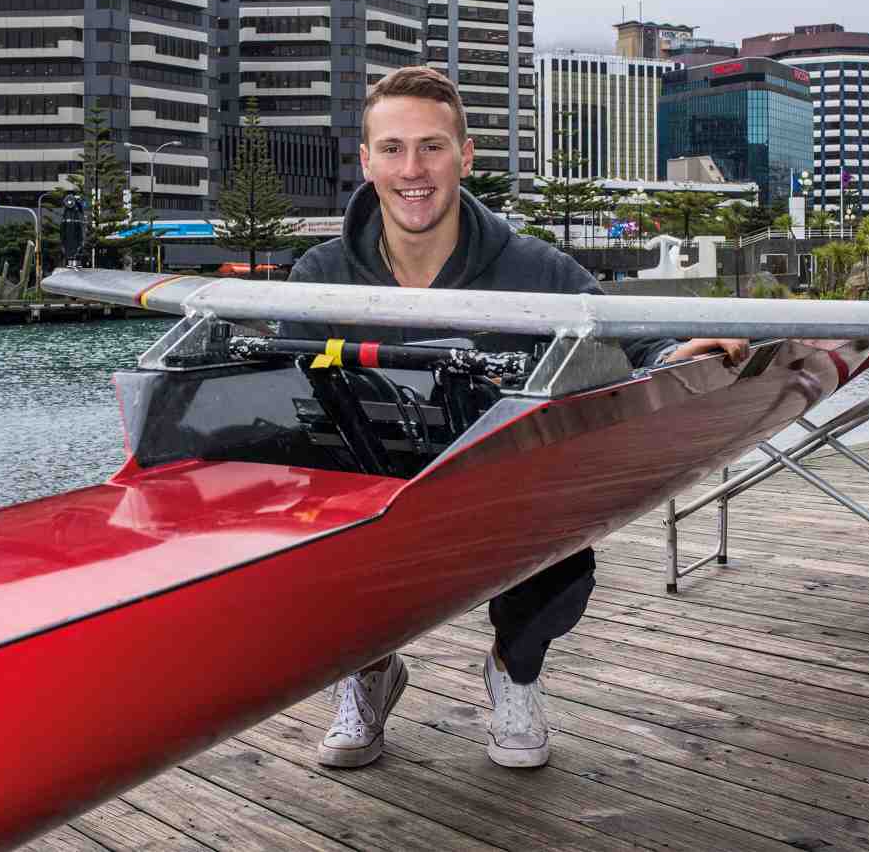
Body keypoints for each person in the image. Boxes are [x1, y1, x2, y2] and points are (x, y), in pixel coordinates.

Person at [284, 66, 748, 770]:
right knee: (300, 534)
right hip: (371, 501)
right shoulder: (318, 277)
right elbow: (264, 379)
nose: (413, 170)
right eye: (393, 148)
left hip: (496, 501)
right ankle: (369, 669)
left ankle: (513, 669)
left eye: (433, 147)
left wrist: (675, 351)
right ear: (366, 160)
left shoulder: (534, 269)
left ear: (466, 157)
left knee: (563, 544)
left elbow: (621, 337)